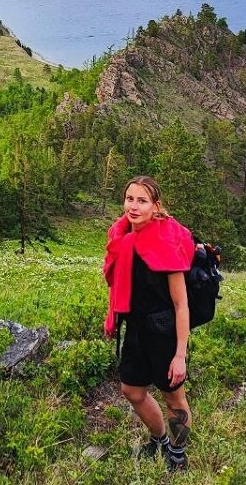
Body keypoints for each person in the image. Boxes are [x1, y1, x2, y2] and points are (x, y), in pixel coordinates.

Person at [103, 175, 195, 471]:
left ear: (156, 207)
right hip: (137, 328)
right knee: (132, 391)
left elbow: (182, 305)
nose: (133, 206)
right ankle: (159, 441)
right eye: (130, 198)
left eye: (142, 200)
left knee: (173, 398)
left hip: (164, 331)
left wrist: (180, 355)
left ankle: (178, 455)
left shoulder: (165, 243)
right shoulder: (123, 237)